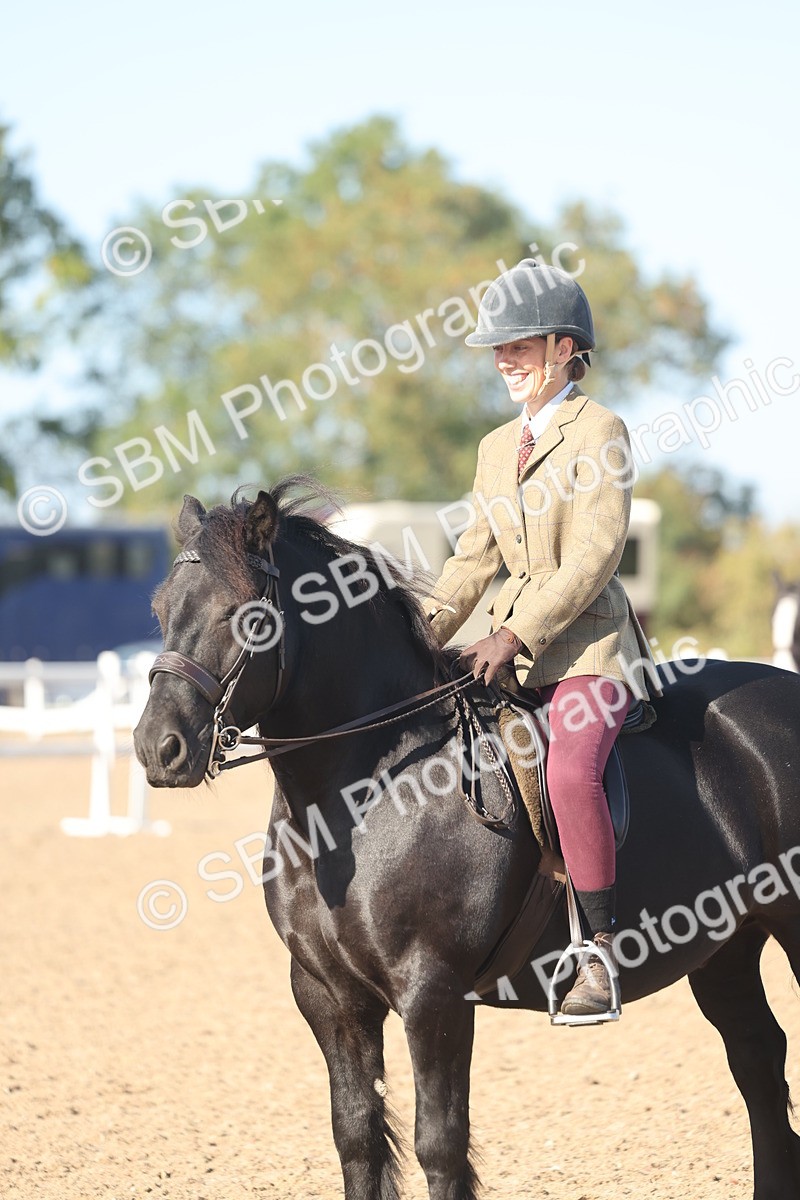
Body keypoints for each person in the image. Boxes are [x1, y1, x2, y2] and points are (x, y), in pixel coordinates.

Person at [422, 258, 662, 1017]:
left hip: (587, 654)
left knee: (566, 775)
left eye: (518, 344)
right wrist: (420, 639)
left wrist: (516, 631)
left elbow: (595, 556)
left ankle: (597, 954)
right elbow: (473, 558)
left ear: (564, 347)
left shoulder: (601, 432)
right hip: (508, 655)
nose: (503, 359)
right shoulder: (497, 448)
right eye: (498, 348)